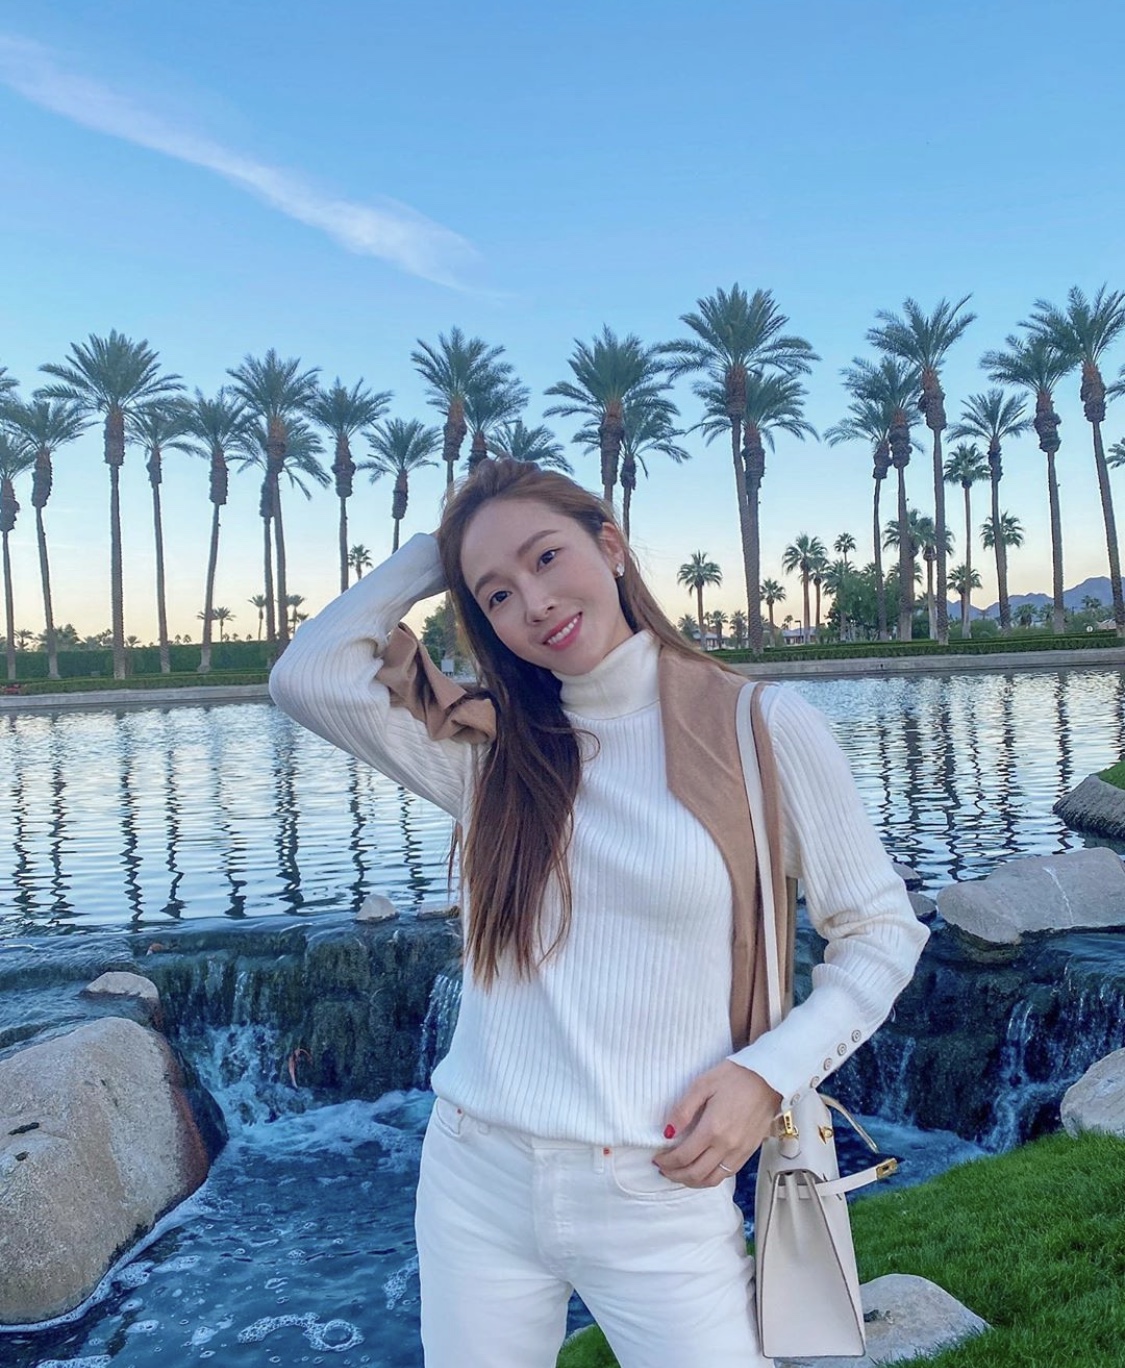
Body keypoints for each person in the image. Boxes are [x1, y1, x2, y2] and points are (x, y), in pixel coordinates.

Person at [269, 458, 929, 1368]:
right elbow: (306, 676)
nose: (533, 603)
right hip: (473, 1177)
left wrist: (765, 1075)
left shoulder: (759, 728)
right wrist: (438, 550)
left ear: (610, 545)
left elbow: (880, 932)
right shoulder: (492, 751)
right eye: (497, 595)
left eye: (546, 557)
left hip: (656, 1186)